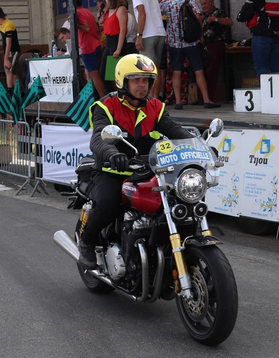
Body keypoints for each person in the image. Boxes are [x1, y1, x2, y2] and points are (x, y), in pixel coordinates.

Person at [77, 53, 194, 267]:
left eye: (146, 80)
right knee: (108, 204)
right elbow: (98, 139)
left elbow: (174, 130)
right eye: (136, 79)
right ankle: (87, 241)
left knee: (176, 203)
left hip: (146, 171)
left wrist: (198, 145)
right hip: (112, 171)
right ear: (123, 81)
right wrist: (113, 154)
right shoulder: (105, 106)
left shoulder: (156, 107)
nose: (142, 85)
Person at [160, 0, 219, 110]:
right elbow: (198, 16)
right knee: (198, 71)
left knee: (176, 72)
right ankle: (207, 100)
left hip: (174, 43)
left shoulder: (166, 2)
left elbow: (156, 9)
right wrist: (200, 34)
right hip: (191, 42)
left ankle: (178, 102)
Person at [130, 0, 167, 98]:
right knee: (156, 68)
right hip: (160, 33)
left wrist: (139, 35)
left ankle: (149, 100)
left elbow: (142, 13)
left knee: (147, 70)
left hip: (148, 35)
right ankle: (155, 99)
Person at [199, 0, 233, 104]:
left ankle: (210, 98)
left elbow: (230, 22)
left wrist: (216, 19)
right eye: (202, 4)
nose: (203, 6)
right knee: (201, 71)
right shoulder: (201, 15)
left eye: (205, 4)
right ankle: (201, 98)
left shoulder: (218, 12)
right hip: (203, 45)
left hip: (216, 44)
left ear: (212, 3)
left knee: (212, 71)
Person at [99, 0, 135, 83]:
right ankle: (111, 91)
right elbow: (102, 23)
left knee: (114, 74)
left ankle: (119, 90)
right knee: (104, 73)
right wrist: (101, 14)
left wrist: (118, 49)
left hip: (116, 40)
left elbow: (123, 30)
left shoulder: (121, 9)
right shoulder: (108, 11)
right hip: (108, 42)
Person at [71, 0, 105, 96]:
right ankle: (92, 97)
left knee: (94, 75)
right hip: (95, 45)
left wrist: (74, 23)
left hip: (88, 48)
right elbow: (96, 29)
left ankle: (103, 98)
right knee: (88, 74)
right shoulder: (88, 12)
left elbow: (87, 28)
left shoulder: (78, 13)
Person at [0, 8, 20, 91]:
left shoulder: (8, 25)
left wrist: (6, 59)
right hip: (9, 51)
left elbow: (9, 43)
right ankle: (16, 91)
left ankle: (10, 90)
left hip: (13, 50)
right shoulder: (2, 24)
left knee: (8, 69)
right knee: (12, 72)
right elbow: (2, 32)